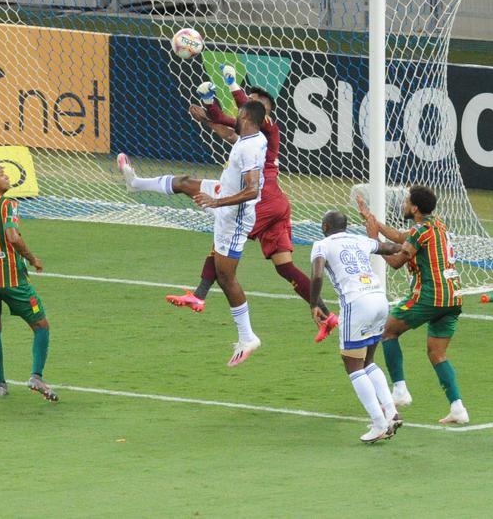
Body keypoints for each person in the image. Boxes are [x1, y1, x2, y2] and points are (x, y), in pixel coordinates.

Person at [118, 64, 339, 343]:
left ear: (263, 112)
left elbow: (234, 114)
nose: (250, 103)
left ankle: (200, 295)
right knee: (285, 267)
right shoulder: (251, 136)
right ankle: (327, 314)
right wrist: (208, 113)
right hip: (277, 203)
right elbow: (226, 127)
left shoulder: (270, 128)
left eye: (256, 102)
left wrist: (232, 85)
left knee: (224, 235)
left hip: (262, 200)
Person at [120, 101, 270, 367]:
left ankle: (248, 337)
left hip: (233, 215)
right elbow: (229, 135)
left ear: (245, 115)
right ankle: (135, 183)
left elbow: (253, 190)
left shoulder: (250, 148)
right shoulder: (250, 138)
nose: (235, 114)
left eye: (238, 112)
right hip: (222, 193)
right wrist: (205, 121)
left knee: (226, 277)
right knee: (184, 183)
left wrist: (217, 203)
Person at [356, 186, 470, 425]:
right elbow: (401, 237)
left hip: (431, 295)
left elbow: (397, 261)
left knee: (388, 332)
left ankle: (399, 390)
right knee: (437, 353)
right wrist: (374, 222)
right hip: (453, 295)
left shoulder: (420, 231)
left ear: (415, 208)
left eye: (407, 201)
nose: (404, 204)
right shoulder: (435, 224)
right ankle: (458, 408)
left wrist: (374, 241)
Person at [309, 210, 405, 443]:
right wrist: (412, 243)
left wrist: (314, 303)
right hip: (379, 299)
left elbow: (318, 274)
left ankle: (379, 423)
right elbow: (393, 249)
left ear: (324, 226)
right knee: (368, 361)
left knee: (352, 364)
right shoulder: (360, 240)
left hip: (357, 303)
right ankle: (391, 413)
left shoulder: (321, 245)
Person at [0, 163, 57, 402]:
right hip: (10, 277)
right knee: (41, 326)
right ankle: (36, 376)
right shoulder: (8, 204)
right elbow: (12, 237)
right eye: (2, 175)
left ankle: (0, 384)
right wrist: (32, 258)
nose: (7, 178)